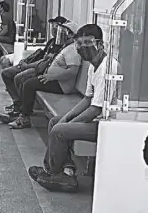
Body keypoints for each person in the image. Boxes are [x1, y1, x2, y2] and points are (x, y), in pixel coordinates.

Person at [28, 24, 116, 192]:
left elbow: (95, 109)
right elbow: (87, 99)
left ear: (100, 44)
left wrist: (68, 124)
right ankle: (66, 173)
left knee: (60, 130)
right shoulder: (93, 66)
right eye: (79, 44)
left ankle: (53, 173)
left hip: (106, 124)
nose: (83, 48)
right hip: (95, 118)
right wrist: (66, 117)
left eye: (88, 43)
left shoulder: (107, 68)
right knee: (55, 122)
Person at [2, 21, 81, 130]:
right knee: (25, 81)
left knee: (29, 85)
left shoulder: (73, 50)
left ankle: (24, 118)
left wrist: (51, 76)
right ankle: (20, 111)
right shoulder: (65, 46)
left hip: (61, 84)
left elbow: (72, 71)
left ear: (72, 35)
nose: (61, 33)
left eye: (65, 31)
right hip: (54, 79)